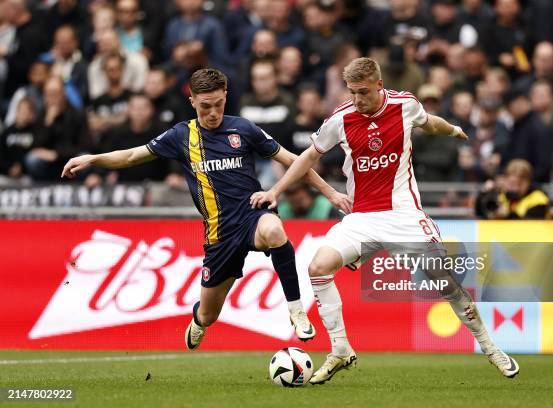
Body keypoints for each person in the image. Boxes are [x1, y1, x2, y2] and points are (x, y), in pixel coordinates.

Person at [251, 57, 520, 384]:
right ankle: (340, 349)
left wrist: (452, 129)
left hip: (403, 215)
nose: (358, 99)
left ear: (379, 85)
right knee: (317, 268)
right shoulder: (342, 118)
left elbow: (428, 122)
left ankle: (490, 347)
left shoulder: (404, 105)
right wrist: (277, 189)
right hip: (361, 217)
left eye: (363, 92)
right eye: (352, 92)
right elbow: (309, 156)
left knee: (446, 282)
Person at [62, 68, 351, 350]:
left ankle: (296, 310)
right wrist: (93, 158)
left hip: (252, 215)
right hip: (219, 234)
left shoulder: (244, 128)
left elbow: (293, 160)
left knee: (275, 230)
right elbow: (131, 156)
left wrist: (330, 193)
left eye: (218, 104)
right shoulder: (180, 136)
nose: (213, 113)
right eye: (205, 107)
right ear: (192, 102)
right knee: (210, 313)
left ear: (226, 96)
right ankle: (199, 320)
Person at [476, 159, 552, 219]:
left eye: (517, 184)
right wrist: (484, 194)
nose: (513, 188)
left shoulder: (538, 199)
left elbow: (531, 227)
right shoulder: (501, 195)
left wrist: (508, 215)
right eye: (510, 183)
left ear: (527, 182)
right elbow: (480, 213)